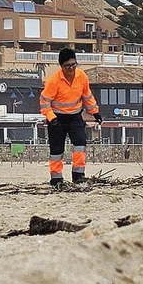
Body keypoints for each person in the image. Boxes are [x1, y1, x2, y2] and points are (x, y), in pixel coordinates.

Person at [39, 47, 102, 188]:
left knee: (80, 144)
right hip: (57, 119)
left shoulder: (82, 76)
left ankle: (78, 175)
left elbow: (87, 96)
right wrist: (51, 117)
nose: (71, 68)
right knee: (56, 150)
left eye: (74, 64)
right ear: (61, 66)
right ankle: (56, 179)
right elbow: (44, 102)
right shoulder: (53, 81)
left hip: (75, 116)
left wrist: (94, 112)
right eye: (68, 66)